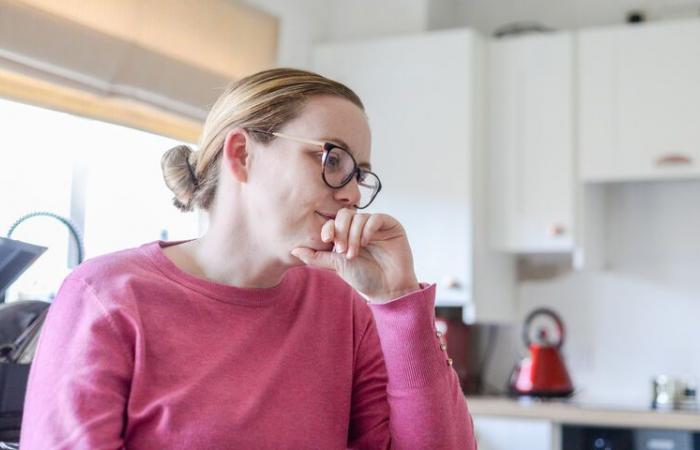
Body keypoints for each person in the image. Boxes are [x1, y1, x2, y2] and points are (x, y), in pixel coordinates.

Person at [21, 68, 476, 449]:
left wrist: (398, 301)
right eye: (333, 159)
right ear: (241, 155)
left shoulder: (344, 308)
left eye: (361, 175)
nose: (355, 194)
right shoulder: (106, 296)